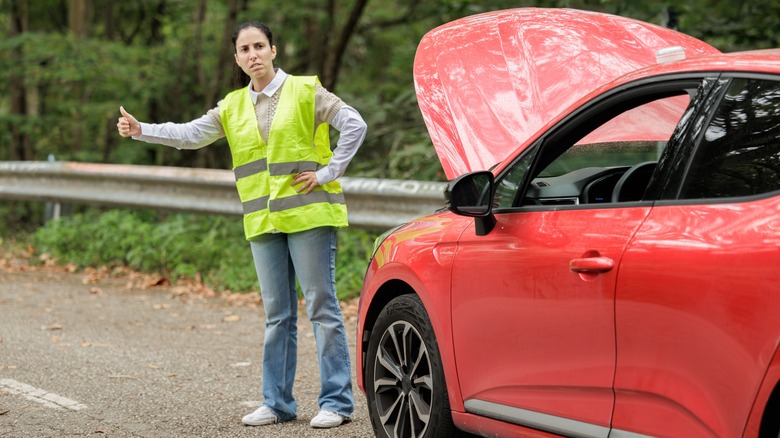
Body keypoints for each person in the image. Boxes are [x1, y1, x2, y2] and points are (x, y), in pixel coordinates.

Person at [116, 21, 366, 429]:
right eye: (245, 49)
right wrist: (143, 130)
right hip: (263, 219)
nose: (253, 54)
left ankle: (336, 402)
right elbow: (191, 134)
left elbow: (355, 124)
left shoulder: (306, 91)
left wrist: (327, 171)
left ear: (273, 50)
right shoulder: (232, 105)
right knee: (277, 314)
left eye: (259, 46)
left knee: (321, 307)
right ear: (237, 59)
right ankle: (278, 403)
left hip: (309, 214)